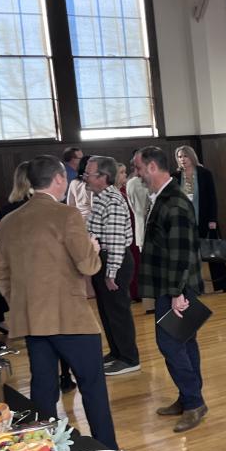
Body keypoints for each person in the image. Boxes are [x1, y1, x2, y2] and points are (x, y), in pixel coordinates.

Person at [0, 155, 118, 450]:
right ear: (59, 179)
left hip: (33, 319)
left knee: (43, 390)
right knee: (93, 388)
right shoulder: (66, 215)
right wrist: (94, 248)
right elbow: (88, 266)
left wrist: (22, 302)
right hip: (70, 317)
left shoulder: (10, 221)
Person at [135, 146, 209, 433]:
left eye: (139, 168)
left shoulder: (174, 202)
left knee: (171, 344)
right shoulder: (164, 197)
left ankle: (194, 403)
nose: (137, 174)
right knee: (185, 342)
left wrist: (178, 293)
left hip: (177, 288)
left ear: (152, 167)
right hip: (172, 285)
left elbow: (181, 252)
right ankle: (189, 397)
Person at [86, 156, 140, 376]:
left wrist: (111, 274)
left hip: (114, 261)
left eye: (89, 174)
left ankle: (129, 358)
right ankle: (117, 352)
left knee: (118, 312)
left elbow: (116, 240)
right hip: (104, 260)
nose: (85, 178)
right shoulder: (100, 197)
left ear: (103, 177)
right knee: (107, 311)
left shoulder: (113, 200)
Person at [175, 145, 226, 294]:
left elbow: (212, 198)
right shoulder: (176, 177)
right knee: (187, 258)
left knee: (213, 253)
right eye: (179, 157)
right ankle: (189, 288)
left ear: (191, 157)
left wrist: (212, 219)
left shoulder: (204, 174)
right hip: (185, 223)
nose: (182, 159)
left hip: (204, 220)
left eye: (184, 156)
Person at [125, 149, 150, 303]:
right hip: (145, 225)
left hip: (141, 228)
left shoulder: (132, 182)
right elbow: (143, 207)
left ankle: (148, 300)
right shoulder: (136, 182)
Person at [66, 154, 94, 222]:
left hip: (78, 220)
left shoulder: (74, 182)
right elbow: (94, 206)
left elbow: (70, 204)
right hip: (90, 221)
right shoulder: (92, 183)